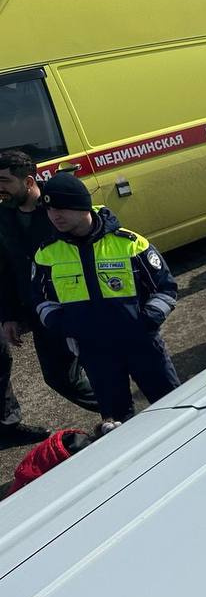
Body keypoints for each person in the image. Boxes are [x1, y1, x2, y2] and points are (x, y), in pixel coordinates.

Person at [31, 174, 181, 423]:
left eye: (62, 208)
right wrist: (65, 327)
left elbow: (165, 288)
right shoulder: (46, 254)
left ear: (82, 206)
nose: (55, 215)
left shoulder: (130, 244)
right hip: (95, 352)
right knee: (116, 422)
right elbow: (41, 300)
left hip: (142, 346)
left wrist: (146, 323)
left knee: (173, 408)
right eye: (49, 209)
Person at [0, 151, 98, 422]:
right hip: (41, 311)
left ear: (29, 181)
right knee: (59, 377)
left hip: (78, 304)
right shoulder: (4, 215)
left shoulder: (58, 209)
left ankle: (122, 411)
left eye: (4, 181)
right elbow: (5, 267)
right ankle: (114, 406)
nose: (0, 188)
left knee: (102, 364)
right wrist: (8, 315)